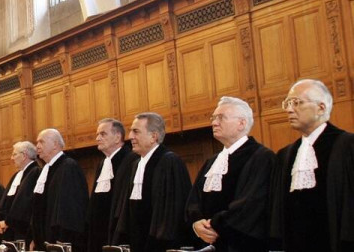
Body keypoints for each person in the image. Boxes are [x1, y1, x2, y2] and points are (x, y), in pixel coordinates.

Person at [270, 79, 354, 252]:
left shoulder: (348, 146)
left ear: (321, 108)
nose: (289, 109)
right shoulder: (285, 155)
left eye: (297, 102)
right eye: (287, 103)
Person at [186, 97, 275, 252]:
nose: (214, 123)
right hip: (207, 243)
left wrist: (215, 225)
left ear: (241, 123)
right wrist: (196, 223)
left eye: (221, 118)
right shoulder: (211, 162)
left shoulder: (261, 157)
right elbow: (194, 199)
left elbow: (251, 205)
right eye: (213, 118)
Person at [113, 112, 192, 252]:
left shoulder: (170, 162)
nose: (130, 136)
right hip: (138, 240)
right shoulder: (136, 165)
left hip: (160, 243)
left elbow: (173, 211)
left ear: (153, 136)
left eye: (136, 131)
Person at [30, 128, 88, 250]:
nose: (37, 146)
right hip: (45, 240)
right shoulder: (47, 169)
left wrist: (61, 241)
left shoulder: (68, 166)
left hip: (60, 241)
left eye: (41, 142)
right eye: (37, 142)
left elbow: (69, 209)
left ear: (55, 145)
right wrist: (35, 237)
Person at [87, 118, 136, 252]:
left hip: (118, 232)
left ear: (117, 137)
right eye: (97, 134)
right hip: (99, 232)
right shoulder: (102, 163)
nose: (98, 138)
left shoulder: (130, 160)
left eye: (103, 134)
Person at [0, 141, 40, 243]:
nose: (11, 158)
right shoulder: (17, 175)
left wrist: (7, 222)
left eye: (14, 154)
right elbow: (5, 200)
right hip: (9, 229)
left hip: (24, 231)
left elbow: (24, 204)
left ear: (24, 156)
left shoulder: (35, 172)